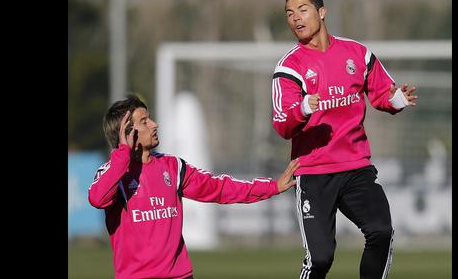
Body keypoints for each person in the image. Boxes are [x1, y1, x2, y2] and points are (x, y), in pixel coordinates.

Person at [271, 0, 418, 279]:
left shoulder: (358, 54)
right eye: (289, 14)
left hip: (356, 168)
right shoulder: (289, 68)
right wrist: (302, 109)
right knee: (321, 259)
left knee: (381, 231)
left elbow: (381, 94)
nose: (295, 19)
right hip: (313, 173)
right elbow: (282, 125)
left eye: (302, 10)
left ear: (322, 12)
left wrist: (396, 100)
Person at [89, 94, 300, 279]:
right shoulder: (113, 172)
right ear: (127, 133)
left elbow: (219, 188)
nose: (154, 124)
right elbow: (97, 199)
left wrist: (272, 187)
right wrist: (122, 155)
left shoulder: (173, 167)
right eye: (144, 121)